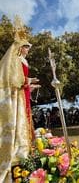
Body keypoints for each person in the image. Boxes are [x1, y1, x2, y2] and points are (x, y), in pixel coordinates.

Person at [0, 16, 40, 182]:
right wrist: (28, 81)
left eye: (28, 47)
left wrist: (30, 83)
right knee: (19, 121)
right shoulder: (15, 59)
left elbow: (22, 79)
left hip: (25, 94)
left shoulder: (23, 60)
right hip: (20, 95)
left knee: (27, 120)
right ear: (20, 47)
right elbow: (15, 79)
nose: (28, 50)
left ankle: (26, 150)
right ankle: (19, 154)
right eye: (26, 47)